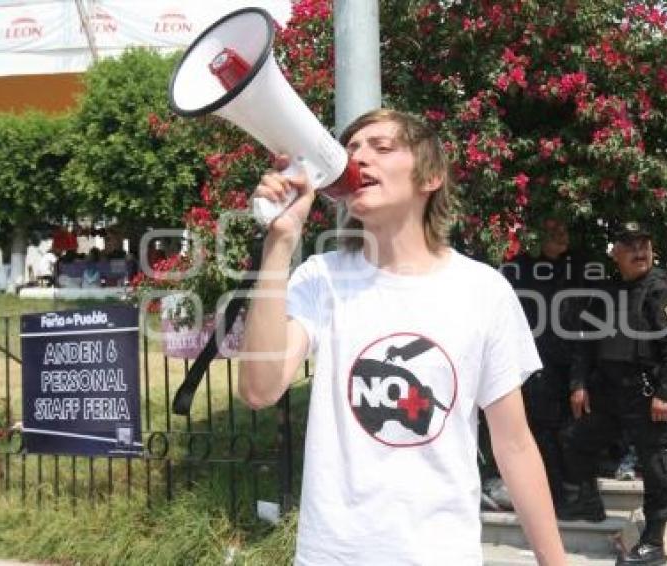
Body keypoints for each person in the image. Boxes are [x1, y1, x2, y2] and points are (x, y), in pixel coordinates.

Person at [238, 109, 567, 565]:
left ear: (430, 177)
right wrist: (281, 241)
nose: (358, 159)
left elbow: (513, 445)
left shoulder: (483, 290)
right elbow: (259, 389)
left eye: (382, 147)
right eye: (351, 150)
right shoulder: (321, 279)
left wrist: (555, 561)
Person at [561, 221, 667, 566]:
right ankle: (585, 502)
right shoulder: (606, 293)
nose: (639, 251)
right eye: (630, 245)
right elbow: (585, 344)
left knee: (660, 466)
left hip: (650, 396)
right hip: (609, 393)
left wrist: (666, 394)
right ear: (615, 253)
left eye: (644, 244)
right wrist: (579, 384)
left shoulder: (666, 290)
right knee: (576, 438)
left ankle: (653, 543)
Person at [503, 216, 585, 517]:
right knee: (543, 430)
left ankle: (575, 492)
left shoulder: (576, 268)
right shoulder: (518, 270)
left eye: (564, 230)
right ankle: (554, 495)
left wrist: (580, 376)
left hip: (570, 361)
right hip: (535, 364)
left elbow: (582, 321)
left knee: (569, 429)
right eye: (554, 230)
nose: (562, 236)